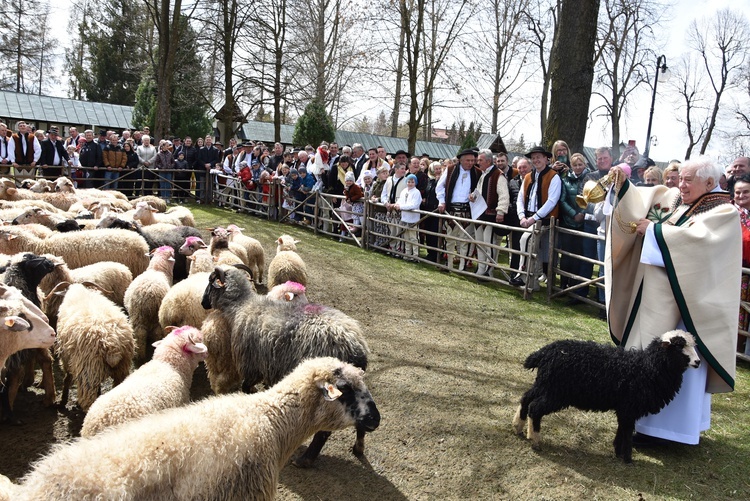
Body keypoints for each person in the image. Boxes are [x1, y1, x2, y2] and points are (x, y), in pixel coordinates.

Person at [606, 157, 739, 446]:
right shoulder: (680, 200)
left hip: (692, 312)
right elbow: (649, 196)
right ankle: (646, 424)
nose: (681, 184)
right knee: (653, 365)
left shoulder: (724, 211)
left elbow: (700, 247)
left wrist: (653, 231)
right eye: (680, 178)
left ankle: (675, 433)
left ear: (708, 182)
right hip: (661, 302)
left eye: (688, 179)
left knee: (682, 371)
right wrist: (622, 183)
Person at [511, 146, 561, 290]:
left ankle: (521, 275)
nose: (536, 160)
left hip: (545, 220)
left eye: (539, 157)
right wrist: (521, 216)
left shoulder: (553, 177)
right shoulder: (528, 176)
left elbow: (552, 201)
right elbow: (520, 198)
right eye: (533, 158)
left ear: (547, 159)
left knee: (526, 240)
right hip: (528, 218)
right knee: (532, 247)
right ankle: (531, 282)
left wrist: (533, 219)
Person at [436, 149, 480, 271]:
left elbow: (480, 191)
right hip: (451, 209)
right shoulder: (450, 170)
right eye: (468, 160)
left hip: (468, 210)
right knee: (450, 238)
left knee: (465, 240)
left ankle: (461, 267)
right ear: (460, 160)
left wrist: (474, 196)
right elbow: (439, 187)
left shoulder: (477, 172)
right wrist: (441, 201)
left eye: (472, 160)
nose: (470, 163)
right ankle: (449, 265)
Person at [471, 149, 509, 278]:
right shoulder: (483, 174)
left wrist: (501, 211)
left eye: (480, 160)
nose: (478, 162)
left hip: (490, 215)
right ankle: (481, 268)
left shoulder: (498, 175)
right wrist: (473, 196)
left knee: (489, 244)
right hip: (480, 214)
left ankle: (489, 270)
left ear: (488, 161)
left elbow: (504, 195)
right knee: (480, 243)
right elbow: (480, 191)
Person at [558, 152, 588, 299]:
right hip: (568, 221)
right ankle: (563, 283)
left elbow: (590, 199)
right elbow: (562, 199)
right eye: (575, 165)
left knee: (578, 256)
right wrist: (573, 214)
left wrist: (582, 213)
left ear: (584, 165)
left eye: (580, 164)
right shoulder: (565, 180)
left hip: (582, 222)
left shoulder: (589, 179)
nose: (577, 167)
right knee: (566, 255)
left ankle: (574, 285)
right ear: (571, 166)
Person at [732, 173, 750, 355]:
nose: (740, 196)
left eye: (746, 192)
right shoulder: (729, 212)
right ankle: (735, 347)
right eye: (737, 192)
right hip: (735, 268)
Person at [390, 173, 423, 261]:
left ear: (415, 183)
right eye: (408, 181)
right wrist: (397, 204)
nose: (410, 183)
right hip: (404, 217)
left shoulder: (416, 192)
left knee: (414, 237)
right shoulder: (404, 191)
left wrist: (401, 207)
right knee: (406, 237)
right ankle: (407, 254)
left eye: (412, 182)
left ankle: (415, 255)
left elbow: (414, 205)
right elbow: (400, 200)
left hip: (413, 218)